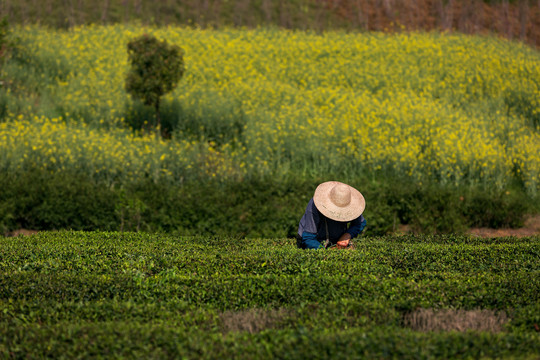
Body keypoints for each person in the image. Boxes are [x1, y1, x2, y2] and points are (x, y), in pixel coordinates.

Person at [297, 181, 366, 249]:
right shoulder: (314, 206)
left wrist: (347, 235)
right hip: (313, 240)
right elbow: (308, 238)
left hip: (335, 239)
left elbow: (360, 223)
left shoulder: (352, 206)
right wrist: (326, 253)